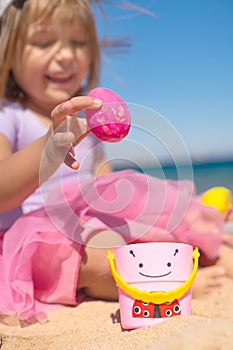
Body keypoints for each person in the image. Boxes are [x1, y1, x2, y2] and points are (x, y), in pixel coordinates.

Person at [0, 0, 232, 323]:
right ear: (9, 52)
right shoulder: (9, 115)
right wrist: (48, 149)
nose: (66, 55)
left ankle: (206, 245)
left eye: (78, 43)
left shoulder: (88, 125)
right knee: (93, 258)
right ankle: (168, 284)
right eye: (43, 42)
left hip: (87, 223)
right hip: (32, 239)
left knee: (140, 229)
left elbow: (105, 186)